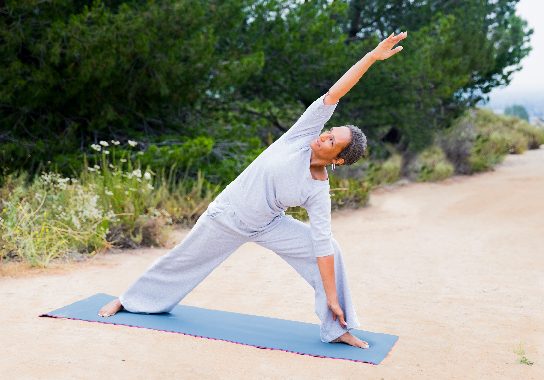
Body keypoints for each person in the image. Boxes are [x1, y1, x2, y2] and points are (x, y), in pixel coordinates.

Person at [98, 31, 408, 349]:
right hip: (228, 215)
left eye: (332, 141)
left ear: (339, 160)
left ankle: (337, 326)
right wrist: (371, 57)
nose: (325, 136)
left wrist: (331, 296)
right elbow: (335, 93)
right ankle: (128, 300)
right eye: (329, 131)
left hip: (267, 225)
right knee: (182, 259)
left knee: (331, 247)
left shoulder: (317, 190)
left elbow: (320, 246)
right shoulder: (301, 135)